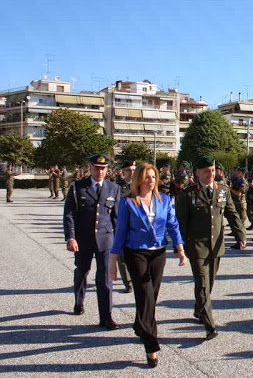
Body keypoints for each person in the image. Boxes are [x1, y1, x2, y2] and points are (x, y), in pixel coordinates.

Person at [110, 162, 187, 367]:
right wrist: (113, 261)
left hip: (158, 253)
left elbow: (172, 224)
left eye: (153, 177)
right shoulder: (128, 203)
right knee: (145, 296)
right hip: (136, 253)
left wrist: (179, 247)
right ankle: (151, 344)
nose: (151, 180)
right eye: (147, 177)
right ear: (139, 180)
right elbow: (120, 233)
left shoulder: (163, 200)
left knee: (152, 296)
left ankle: (139, 324)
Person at [176, 156, 246, 340]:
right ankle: (209, 326)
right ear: (197, 172)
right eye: (207, 171)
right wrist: (180, 246)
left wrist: (240, 235)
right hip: (196, 246)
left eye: (213, 170)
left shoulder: (223, 190)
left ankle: (199, 309)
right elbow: (181, 222)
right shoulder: (187, 193)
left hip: (216, 246)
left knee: (209, 283)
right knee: (203, 284)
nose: (211, 174)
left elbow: (232, 213)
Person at [63, 154, 121, 329]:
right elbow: (69, 214)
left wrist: (120, 242)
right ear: (90, 168)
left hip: (105, 239)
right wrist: (71, 237)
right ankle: (79, 301)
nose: (100, 171)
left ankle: (106, 316)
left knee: (105, 278)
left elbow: (117, 218)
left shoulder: (114, 188)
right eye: (96, 168)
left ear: (107, 170)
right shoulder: (77, 187)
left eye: (103, 168)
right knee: (82, 271)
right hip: (83, 239)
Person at [114, 160, 136, 293]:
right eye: (129, 170)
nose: (132, 172)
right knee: (122, 257)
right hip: (121, 225)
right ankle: (127, 282)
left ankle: (134, 277)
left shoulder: (140, 186)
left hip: (136, 226)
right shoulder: (116, 187)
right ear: (123, 172)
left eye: (134, 170)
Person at [229, 167, 249, 249]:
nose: (237, 172)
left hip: (240, 204)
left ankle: (242, 242)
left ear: (242, 173)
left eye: (239, 171)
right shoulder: (237, 181)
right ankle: (238, 241)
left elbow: (238, 194)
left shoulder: (243, 182)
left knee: (241, 224)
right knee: (237, 223)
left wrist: (229, 188)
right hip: (235, 203)